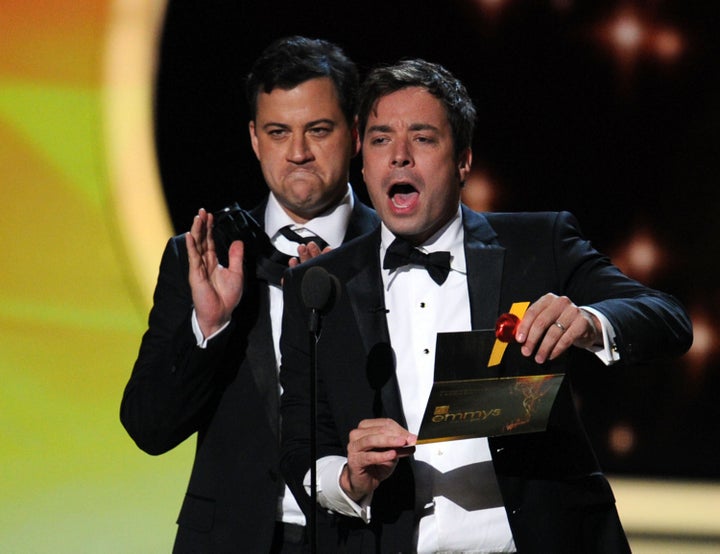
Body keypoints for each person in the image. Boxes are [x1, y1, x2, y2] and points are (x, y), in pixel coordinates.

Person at [279, 59, 693, 553]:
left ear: (463, 160)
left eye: (424, 138)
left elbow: (667, 318)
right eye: (381, 138)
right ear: (362, 160)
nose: (400, 156)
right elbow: (301, 446)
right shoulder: (320, 285)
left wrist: (588, 322)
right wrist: (349, 481)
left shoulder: (537, 244)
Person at [120, 36, 378, 553]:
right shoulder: (203, 254)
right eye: (278, 132)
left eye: (318, 130)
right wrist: (209, 329)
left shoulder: (393, 253)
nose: (298, 152)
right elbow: (150, 427)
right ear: (255, 140)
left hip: (363, 537)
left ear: (354, 134)